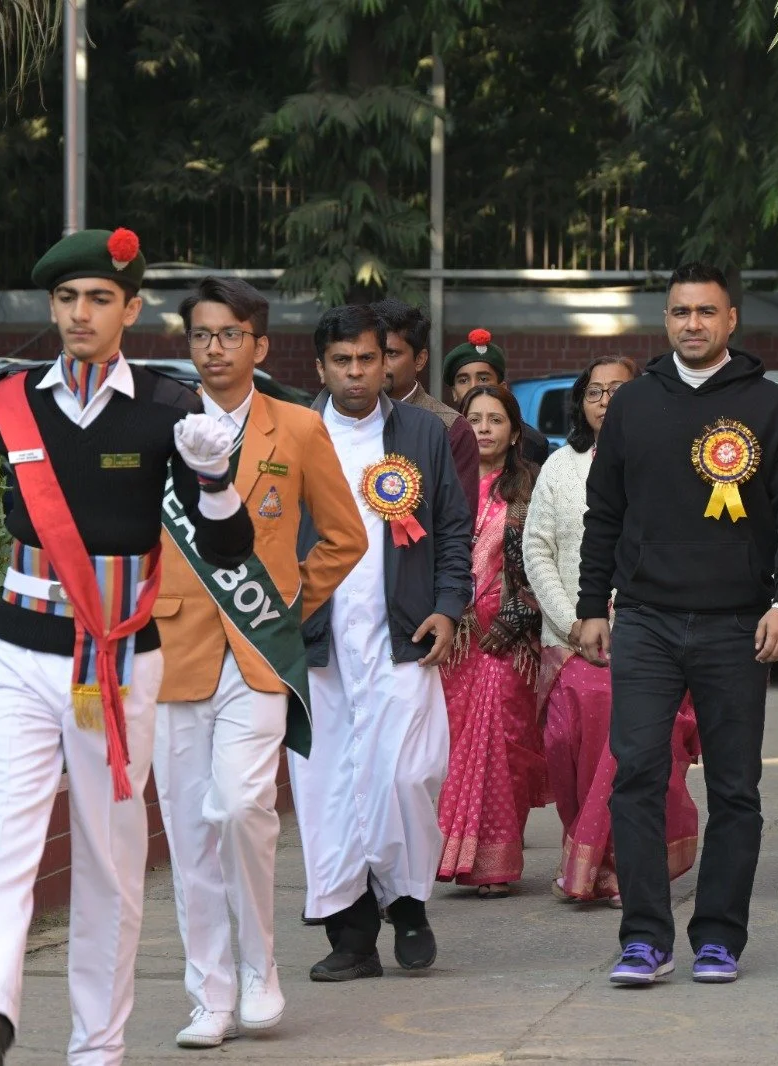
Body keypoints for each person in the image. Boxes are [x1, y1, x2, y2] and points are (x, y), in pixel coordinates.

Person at [0, 229, 256, 1066]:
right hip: (19, 650)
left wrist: (212, 477)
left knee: (108, 861)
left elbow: (232, 548)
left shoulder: (171, 407)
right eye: (67, 300)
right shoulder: (10, 399)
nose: (80, 314)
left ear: (131, 309)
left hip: (121, 660)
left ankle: (97, 1050)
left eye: (99, 298)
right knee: (7, 838)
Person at [578, 262, 778, 985]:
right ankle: (645, 939)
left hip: (738, 626)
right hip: (646, 621)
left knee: (737, 788)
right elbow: (605, 515)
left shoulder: (773, 408)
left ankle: (718, 937)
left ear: (731, 320)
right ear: (666, 319)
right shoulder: (632, 406)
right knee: (638, 777)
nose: (692, 324)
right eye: (680, 312)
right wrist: (594, 606)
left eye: (706, 312)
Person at [151, 277, 367, 1048]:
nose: (215, 348)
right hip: (172, 652)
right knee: (187, 831)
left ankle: (259, 968)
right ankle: (208, 993)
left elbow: (345, 537)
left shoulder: (298, 430)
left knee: (242, 808)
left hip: (258, 654)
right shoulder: (159, 423)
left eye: (230, 335)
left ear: (259, 344)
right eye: (202, 335)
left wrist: (287, 608)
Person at [290, 304, 473, 981]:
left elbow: (454, 529)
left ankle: (410, 904)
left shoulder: (421, 433)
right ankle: (351, 936)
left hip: (402, 637)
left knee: (404, 775)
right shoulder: (294, 434)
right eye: (343, 361)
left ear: (389, 361)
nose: (358, 372)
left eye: (371, 359)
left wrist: (449, 608)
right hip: (315, 645)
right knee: (329, 787)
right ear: (321, 366)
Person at [525, 356, 700, 904]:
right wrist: (575, 622)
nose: (605, 401)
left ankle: (632, 869)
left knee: (636, 752)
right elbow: (538, 549)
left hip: (649, 639)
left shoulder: (668, 463)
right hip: (570, 642)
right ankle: (586, 859)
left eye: (617, 391)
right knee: (568, 752)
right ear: (581, 402)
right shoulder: (561, 467)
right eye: (595, 392)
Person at [435, 384, 549, 896]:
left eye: (495, 419)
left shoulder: (531, 488)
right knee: (451, 746)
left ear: (514, 431)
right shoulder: (440, 483)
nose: (483, 428)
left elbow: (546, 558)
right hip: (453, 640)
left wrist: (516, 617)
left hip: (508, 640)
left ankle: (496, 863)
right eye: (474, 419)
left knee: (506, 747)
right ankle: (446, 855)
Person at [374, 298, 482, 515]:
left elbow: (457, 525)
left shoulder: (450, 428)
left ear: (420, 360)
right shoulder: (339, 417)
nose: (379, 364)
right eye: (371, 354)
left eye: (391, 354)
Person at [443, 327, 552, 464]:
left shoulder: (530, 442)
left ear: (502, 388)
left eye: (483, 379)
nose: (473, 387)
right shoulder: (441, 437)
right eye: (463, 380)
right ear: (454, 392)